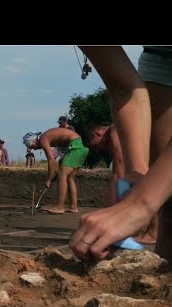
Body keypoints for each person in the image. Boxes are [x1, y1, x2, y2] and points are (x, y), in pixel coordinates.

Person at [70, 46, 172, 262]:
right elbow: (124, 89)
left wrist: (140, 204)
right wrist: (139, 171)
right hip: (161, 57)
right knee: (169, 206)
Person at [23, 128, 89, 214]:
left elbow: (51, 160)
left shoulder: (43, 139)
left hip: (75, 147)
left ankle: (60, 207)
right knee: (70, 178)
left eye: (32, 146)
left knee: (62, 174)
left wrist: (49, 179)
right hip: (79, 146)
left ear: (34, 140)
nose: (34, 149)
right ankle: (73, 207)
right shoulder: (46, 137)